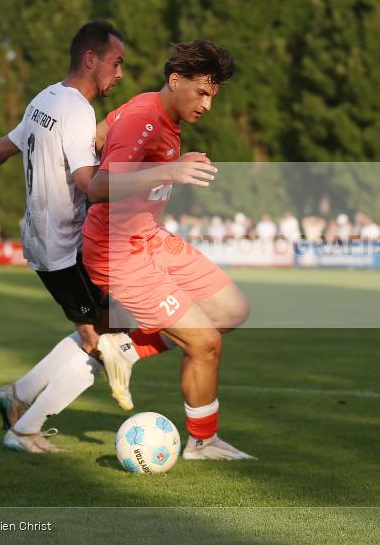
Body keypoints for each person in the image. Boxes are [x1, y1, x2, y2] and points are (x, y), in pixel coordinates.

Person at [0, 20, 132, 454]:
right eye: (116, 64)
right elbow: (86, 182)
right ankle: (24, 428)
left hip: (44, 243)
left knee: (110, 324)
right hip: (63, 248)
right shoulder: (77, 110)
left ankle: (17, 396)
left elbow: (2, 147)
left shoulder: (46, 98)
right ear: (90, 59)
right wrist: (143, 179)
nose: (120, 74)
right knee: (104, 343)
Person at [82, 39, 254, 461]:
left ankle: (127, 347)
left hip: (149, 238)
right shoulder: (145, 119)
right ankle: (202, 442)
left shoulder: (150, 111)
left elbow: (99, 134)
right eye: (202, 92)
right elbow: (96, 188)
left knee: (232, 310)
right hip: (119, 252)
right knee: (205, 342)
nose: (207, 105)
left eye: (212, 95)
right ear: (175, 80)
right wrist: (169, 170)